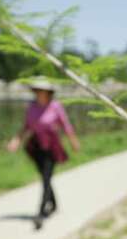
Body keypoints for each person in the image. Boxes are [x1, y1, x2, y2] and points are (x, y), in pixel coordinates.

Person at [7, 79, 81, 229]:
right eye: (38, 90)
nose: (40, 93)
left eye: (43, 90)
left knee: (46, 178)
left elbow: (65, 125)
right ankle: (53, 204)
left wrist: (73, 141)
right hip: (36, 146)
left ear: (48, 93)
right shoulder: (32, 107)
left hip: (51, 146)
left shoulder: (56, 106)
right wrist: (16, 140)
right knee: (45, 177)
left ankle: (40, 213)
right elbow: (26, 126)